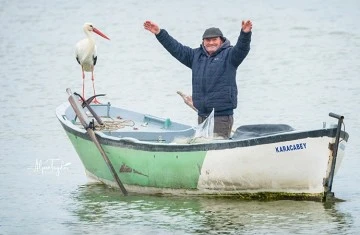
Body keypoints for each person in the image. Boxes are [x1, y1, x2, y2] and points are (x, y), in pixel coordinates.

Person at [144, 20, 252, 139]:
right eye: (208, 40)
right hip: (202, 115)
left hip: (221, 117)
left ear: (221, 40)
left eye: (214, 39)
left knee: (218, 149)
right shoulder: (195, 56)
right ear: (203, 42)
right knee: (205, 148)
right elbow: (176, 49)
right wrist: (159, 33)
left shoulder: (230, 56)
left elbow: (242, 49)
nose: (211, 42)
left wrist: (245, 34)